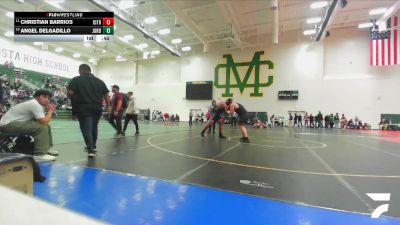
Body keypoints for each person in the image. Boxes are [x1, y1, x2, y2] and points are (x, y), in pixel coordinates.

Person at [0, 90, 57, 161]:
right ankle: (40, 155)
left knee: (46, 126)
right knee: (42, 127)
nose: (47, 100)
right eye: (44, 97)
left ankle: (45, 149)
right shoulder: (34, 104)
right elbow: (44, 121)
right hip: (7, 125)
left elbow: (41, 120)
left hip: (12, 123)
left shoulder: (37, 105)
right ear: (37, 97)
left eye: (48, 98)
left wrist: (48, 110)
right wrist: (51, 110)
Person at [67, 64, 109, 157]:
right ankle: (93, 146)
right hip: (97, 108)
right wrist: (108, 108)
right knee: (94, 127)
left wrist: (74, 100)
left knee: (86, 128)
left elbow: (70, 93)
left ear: (81, 70)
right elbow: (106, 96)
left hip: (83, 107)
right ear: (89, 71)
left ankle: (90, 149)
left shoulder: (76, 79)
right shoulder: (100, 81)